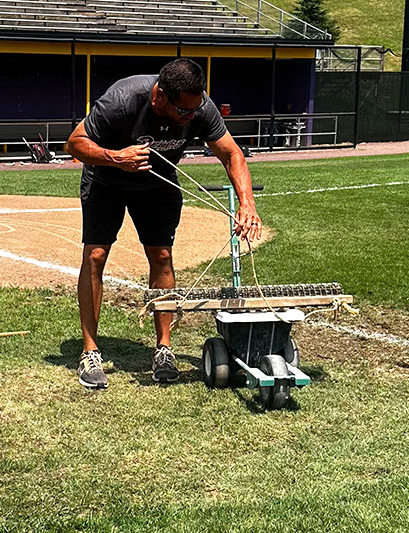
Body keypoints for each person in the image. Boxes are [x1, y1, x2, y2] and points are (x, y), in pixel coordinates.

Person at [66, 58, 262, 390]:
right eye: (183, 112)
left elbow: (231, 154)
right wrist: (118, 158)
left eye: (194, 111)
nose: (189, 118)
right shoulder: (123, 100)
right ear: (160, 95)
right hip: (106, 181)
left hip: (158, 185)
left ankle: (164, 348)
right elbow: (74, 144)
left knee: (161, 257)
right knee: (96, 255)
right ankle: (89, 351)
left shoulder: (200, 108)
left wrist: (248, 203)